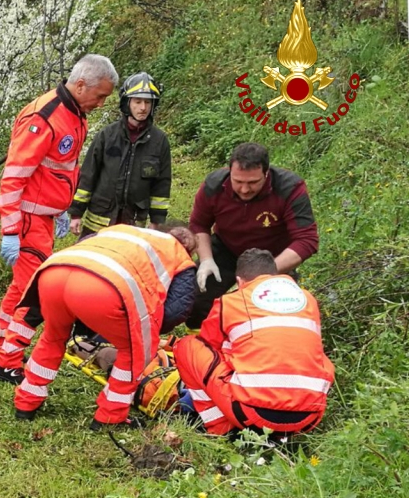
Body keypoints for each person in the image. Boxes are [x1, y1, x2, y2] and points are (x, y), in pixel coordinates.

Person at [0, 54, 119, 384]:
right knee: (37, 295)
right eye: (100, 96)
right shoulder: (45, 117)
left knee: (21, 287)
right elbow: (14, 177)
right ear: (79, 85)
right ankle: (7, 360)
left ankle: (0, 341)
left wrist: (60, 209)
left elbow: (61, 169)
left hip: (42, 217)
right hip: (28, 220)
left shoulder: (74, 113)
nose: (101, 104)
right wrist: (11, 230)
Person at [10, 223, 197, 430]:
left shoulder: (122, 230)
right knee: (135, 352)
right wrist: (142, 332)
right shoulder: (180, 256)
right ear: (189, 248)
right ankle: (110, 417)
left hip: (54, 272)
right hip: (102, 289)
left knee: (52, 337)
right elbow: (175, 311)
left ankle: (26, 402)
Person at [174, 248, 335, 437]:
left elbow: (210, 346)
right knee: (319, 357)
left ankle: (220, 429)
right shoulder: (307, 299)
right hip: (309, 418)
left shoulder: (232, 301)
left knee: (187, 346)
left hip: (252, 415)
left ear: (240, 282)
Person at [187, 141, 318, 329]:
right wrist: (206, 260)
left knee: (277, 315)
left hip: (272, 257)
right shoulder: (214, 185)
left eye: (253, 183)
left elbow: (307, 240)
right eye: (238, 182)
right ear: (229, 171)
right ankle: (204, 342)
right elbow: (199, 224)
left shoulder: (289, 188)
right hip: (227, 248)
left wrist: (268, 271)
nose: (244, 190)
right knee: (194, 301)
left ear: (266, 173)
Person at [67, 72, 171, 238]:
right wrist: (76, 213)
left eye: (147, 102)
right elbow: (88, 175)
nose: (143, 107)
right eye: (137, 101)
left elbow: (162, 185)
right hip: (99, 221)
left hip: (134, 222)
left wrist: (156, 220)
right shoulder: (107, 136)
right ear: (127, 103)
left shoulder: (160, 142)